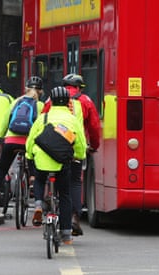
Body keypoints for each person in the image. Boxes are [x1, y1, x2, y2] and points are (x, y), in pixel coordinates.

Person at [26, 86, 87, 244]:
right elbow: (80, 143)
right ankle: (66, 234)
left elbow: (31, 140)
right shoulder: (72, 119)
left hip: (42, 159)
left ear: (51, 101)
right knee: (65, 195)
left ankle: (38, 204)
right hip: (62, 162)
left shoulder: (43, 118)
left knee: (39, 179)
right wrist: (79, 156)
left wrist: (30, 155)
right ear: (68, 102)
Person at [0, 76, 44, 213]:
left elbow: (5, 121)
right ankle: (34, 189)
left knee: (1, 171)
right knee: (37, 170)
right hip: (29, 142)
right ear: (41, 92)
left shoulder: (16, 101)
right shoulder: (40, 106)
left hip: (10, 140)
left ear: (26, 89)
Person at [61, 74, 101, 236]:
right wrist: (94, 146)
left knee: (54, 176)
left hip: (53, 146)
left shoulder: (52, 99)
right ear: (78, 87)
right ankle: (75, 217)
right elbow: (94, 127)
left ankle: (43, 204)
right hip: (76, 146)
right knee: (76, 182)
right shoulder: (85, 101)